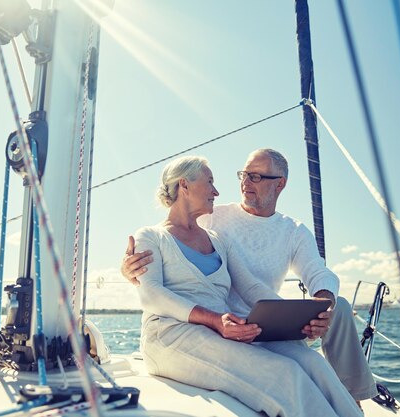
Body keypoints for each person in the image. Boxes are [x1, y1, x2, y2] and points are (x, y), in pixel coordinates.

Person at [123, 149, 378, 404]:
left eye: (255, 177)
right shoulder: (194, 222)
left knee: (316, 360)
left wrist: (305, 314)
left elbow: (256, 285)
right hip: (203, 328)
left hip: (254, 325)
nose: (220, 190)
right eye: (244, 175)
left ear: (280, 184)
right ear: (184, 185)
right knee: (286, 374)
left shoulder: (279, 232)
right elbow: (153, 288)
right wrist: (129, 269)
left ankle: (353, 404)